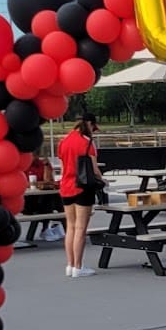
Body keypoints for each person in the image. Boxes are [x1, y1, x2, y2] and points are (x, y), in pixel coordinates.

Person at [57, 112, 103, 277]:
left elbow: (62, 167)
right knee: (81, 228)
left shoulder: (63, 141)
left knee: (70, 226)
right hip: (83, 188)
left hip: (65, 187)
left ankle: (70, 265)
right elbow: (95, 169)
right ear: (90, 124)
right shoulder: (87, 143)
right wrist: (103, 181)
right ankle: (78, 266)